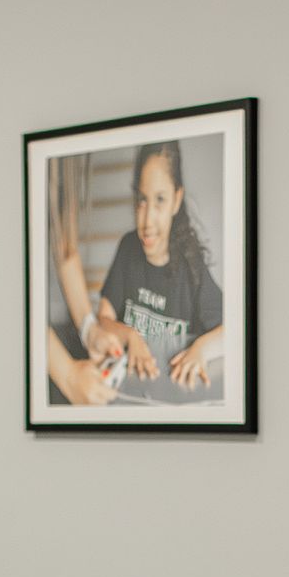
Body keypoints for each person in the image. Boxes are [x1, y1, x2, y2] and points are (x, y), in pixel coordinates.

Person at [91, 141, 224, 391]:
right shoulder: (128, 247)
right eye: (142, 200)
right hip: (128, 387)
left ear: (177, 200)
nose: (147, 219)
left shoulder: (191, 263)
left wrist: (201, 350)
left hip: (173, 390)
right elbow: (104, 318)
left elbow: (233, 329)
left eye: (160, 200)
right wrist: (131, 336)